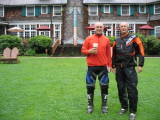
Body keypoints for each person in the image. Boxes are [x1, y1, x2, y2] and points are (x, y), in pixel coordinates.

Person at [112, 22, 145, 120]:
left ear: (128, 28)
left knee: (132, 89)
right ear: (119, 28)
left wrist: (140, 64)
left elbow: (141, 51)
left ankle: (133, 111)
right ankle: (124, 107)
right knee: (121, 88)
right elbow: (113, 54)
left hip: (130, 67)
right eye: (121, 26)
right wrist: (113, 66)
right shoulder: (116, 40)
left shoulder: (134, 38)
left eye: (124, 26)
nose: (123, 27)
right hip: (119, 68)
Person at [81, 22, 111, 114]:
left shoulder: (106, 39)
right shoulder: (89, 39)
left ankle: (104, 106)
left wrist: (109, 65)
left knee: (104, 87)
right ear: (94, 28)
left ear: (103, 28)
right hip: (91, 67)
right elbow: (83, 50)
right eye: (97, 27)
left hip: (103, 67)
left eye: (100, 27)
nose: (99, 28)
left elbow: (108, 54)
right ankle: (90, 106)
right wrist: (89, 51)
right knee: (90, 87)